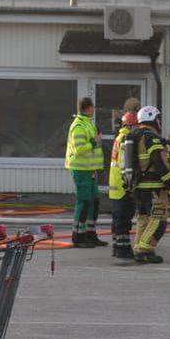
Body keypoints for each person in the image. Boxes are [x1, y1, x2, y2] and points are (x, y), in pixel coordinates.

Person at [130, 105, 170, 264]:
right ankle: (144, 249)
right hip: (154, 187)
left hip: (139, 187)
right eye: (157, 118)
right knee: (159, 220)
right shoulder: (151, 138)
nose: (159, 122)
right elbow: (159, 161)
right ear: (152, 119)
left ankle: (140, 249)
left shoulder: (135, 136)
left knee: (144, 219)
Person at [64, 95, 105, 248]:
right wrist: (94, 142)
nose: (94, 109)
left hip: (90, 170)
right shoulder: (79, 126)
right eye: (92, 107)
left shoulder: (88, 124)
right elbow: (79, 149)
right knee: (84, 202)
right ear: (88, 108)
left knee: (94, 201)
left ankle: (90, 234)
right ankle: (78, 237)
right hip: (81, 170)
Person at [106, 109, 139, 260]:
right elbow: (126, 165)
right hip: (122, 185)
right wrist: (129, 184)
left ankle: (117, 247)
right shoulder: (127, 138)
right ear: (131, 125)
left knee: (118, 218)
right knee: (123, 219)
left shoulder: (119, 136)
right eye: (137, 125)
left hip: (115, 184)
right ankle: (123, 249)